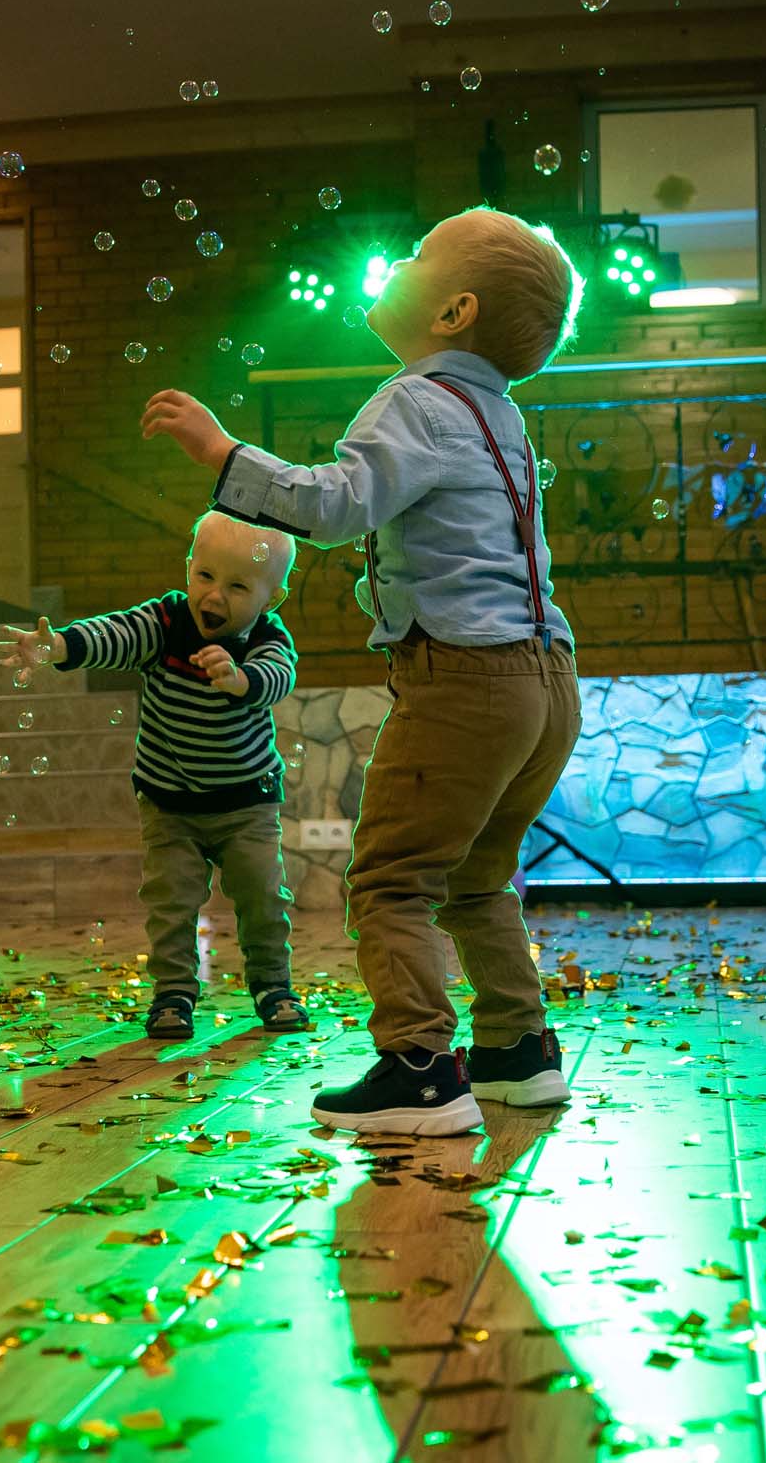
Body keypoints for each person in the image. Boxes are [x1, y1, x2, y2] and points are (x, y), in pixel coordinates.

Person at [143, 207, 583, 1136]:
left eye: (418, 255)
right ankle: (518, 1051)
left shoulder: (415, 400)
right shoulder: (500, 412)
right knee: (479, 875)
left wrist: (223, 454)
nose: (397, 262)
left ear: (454, 311)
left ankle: (419, 1068)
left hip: (466, 679)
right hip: (547, 681)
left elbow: (337, 505)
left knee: (389, 876)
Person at [0, 513, 310, 1040]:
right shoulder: (164, 623)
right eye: (205, 576)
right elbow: (114, 634)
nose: (215, 595)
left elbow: (279, 676)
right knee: (171, 904)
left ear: (271, 599)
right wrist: (61, 646)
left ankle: (273, 986)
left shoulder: (266, 638)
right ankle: (174, 993)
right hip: (169, 804)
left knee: (263, 897)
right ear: (188, 569)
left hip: (246, 804)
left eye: (238, 586)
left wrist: (240, 679)